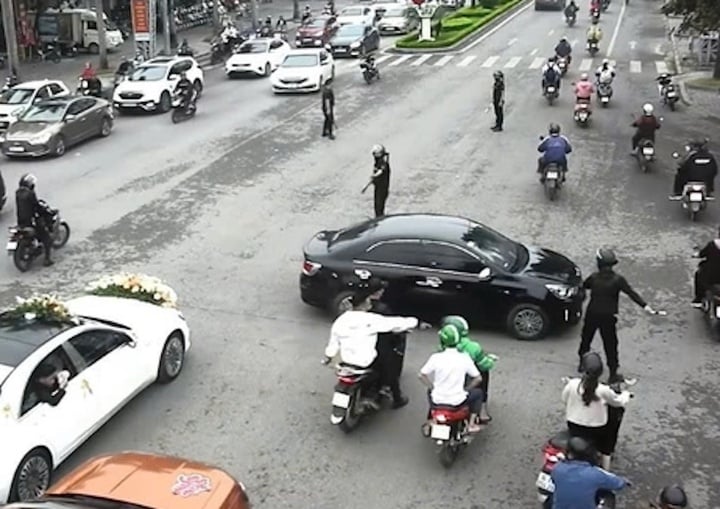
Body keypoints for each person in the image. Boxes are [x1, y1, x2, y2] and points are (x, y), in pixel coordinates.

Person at [322, 284, 419, 399]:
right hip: (365, 362)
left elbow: (333, 342)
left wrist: (329, 356)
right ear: (363, 304)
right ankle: (394, 397)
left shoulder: (341, 320)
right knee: (388, 368)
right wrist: (415, 321)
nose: (370, 302)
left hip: (345, 361)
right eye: (368, 300)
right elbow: (397, 324)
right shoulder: (371, 320)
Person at [579, 248, 658, 383]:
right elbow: (631, 293)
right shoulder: (618, 280)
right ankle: (613, 373)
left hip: (592, 314)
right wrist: (645, 306)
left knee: (586, 339)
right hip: (608, 317)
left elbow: (584, 286)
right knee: (610, 345)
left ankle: (583, 363)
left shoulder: (594, 278)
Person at [563, 352, 632, 470]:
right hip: (596, 429)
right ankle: (606, 468)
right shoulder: (603, 390)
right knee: (607, 444)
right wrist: (626, 394)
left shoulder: (572, 384)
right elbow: (618, 402)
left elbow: (564, 399)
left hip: (574, 425)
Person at [419, 324, 485, 433]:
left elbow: (421, 375)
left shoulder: (436, 357)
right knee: (478, 393)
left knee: (429, 391)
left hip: (437, 401)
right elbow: (478, 378)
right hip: (457, 401)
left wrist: (433, 387)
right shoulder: (464, 358)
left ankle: (431, 420)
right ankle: (472, 424)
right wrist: (466, 390)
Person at [440, 315, 496, 423]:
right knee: (483, 373)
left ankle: (429, 421)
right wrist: (490, 360)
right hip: (464, 382)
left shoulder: (441, 347)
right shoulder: (473, 347)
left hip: (445, 386)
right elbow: (485, 365)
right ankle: (482, 410)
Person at [550, 436, 629, 509]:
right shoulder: (595, 474)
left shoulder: (558, 468)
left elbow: (554, 480)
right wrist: (624, 481)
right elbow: (617, 484)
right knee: (608, 495)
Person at [368, 279, 410, 409]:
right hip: (379, 346)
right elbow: (392, 328)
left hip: (360, 345)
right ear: (379, 292)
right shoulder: (383, 309)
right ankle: (397, 399)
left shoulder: (360, 306)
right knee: (391, 370)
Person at [15, 173, 53, 266]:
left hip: (21, 222)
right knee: (47, 238)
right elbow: (36, 206)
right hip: (30, 222)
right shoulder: (30, 194)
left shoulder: (18, 193)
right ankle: (47, 260)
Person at [691, 227, 720, 307]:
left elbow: (701, 254)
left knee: (698, 274)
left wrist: (696, 254)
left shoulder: (713, 245)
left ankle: (698, 300)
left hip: (710, 277)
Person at [370, 144, 390, 217]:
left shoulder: (383, 163)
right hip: (378, 188)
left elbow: (381, 170)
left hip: (382, 189)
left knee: (379, 207)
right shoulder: (377, 163)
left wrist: (375, 176)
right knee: (377, 207)